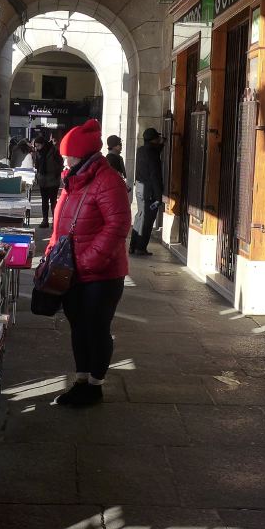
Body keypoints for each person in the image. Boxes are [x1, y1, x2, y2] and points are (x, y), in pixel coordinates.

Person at [45, 119, 131, 407]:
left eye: (69, 154)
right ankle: (81, 380)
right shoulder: (73, 179)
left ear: (84, 154)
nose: (65, 160)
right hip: (73, 272)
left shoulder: (107, 180)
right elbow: (60, 227)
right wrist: (50, 255)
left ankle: (95, 385)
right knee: (78, 327)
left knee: (96, 328)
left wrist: (88, 260)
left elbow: (118, 226)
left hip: (101, 274)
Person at [129, 127, 164, 255]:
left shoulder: (141, 150)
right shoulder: (153, 154)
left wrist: (160, 144)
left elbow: (153, 150)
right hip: (149, 191)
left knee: (139, 217)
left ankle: (133, 245)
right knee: (147, 220)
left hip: (139, 188)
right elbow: (155, 175)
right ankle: (140, 247)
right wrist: (159, 197)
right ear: (154, 140)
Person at [33, 133, 63, 227]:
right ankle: (45, 221)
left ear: (43, 144)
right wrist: (38, 176)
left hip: (53, 180)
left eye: (38, 145)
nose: (37, 147)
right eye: (36, 146)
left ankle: (55, 221)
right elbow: (37, 165)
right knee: (44, 201)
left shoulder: (53, 150)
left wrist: (55, 172)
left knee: (53, 201)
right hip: (43, 180)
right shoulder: (38, 152)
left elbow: (60, 162)